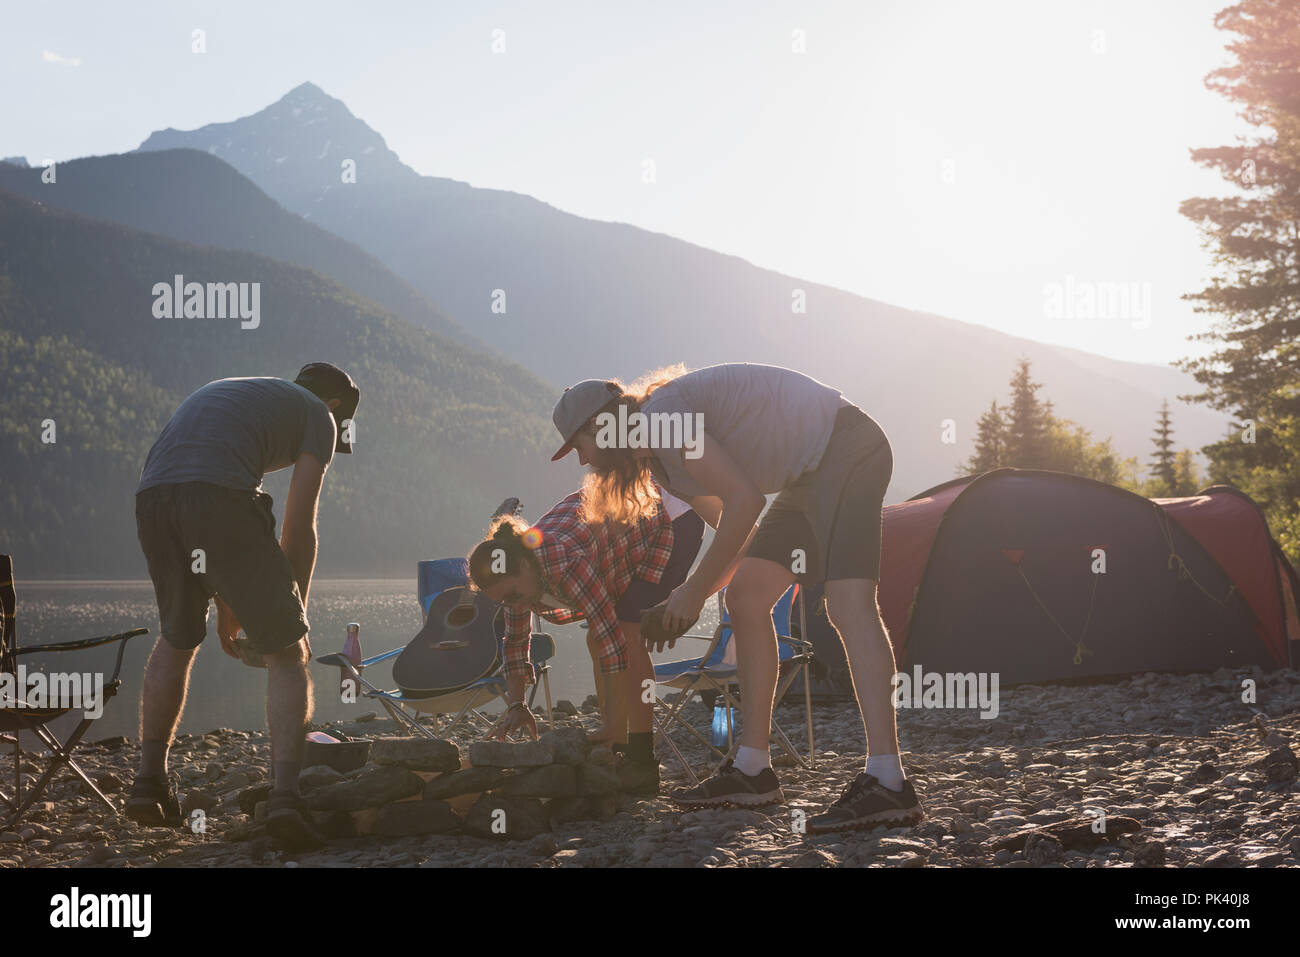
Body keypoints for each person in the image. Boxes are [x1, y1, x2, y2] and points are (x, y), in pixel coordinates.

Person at [561, 363, 923, 831]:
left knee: (847, 604)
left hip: (848, 446)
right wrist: (681, 603)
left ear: (599, 426)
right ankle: (753, 768)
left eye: (579, 445)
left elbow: (745, 501)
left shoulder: (662, 419)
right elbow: (742, 539)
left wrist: (690, 594)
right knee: (747, 597)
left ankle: (887, 781)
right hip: (809, 475)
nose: (583, 460)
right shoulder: (663, 465)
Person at [126, 363, 359, 849]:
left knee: (177, 637)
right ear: (336, 407)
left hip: (152, 498)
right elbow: (298, 526)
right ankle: (285, 800)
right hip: (217, 497)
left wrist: (232, 605)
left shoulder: (249, 395)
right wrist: (295, 618)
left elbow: (201, 504)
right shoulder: (321, 415)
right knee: (288, 657)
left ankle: (149, 783)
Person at [467, 486, 703, 794]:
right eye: (505, 601)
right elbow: (515, 641)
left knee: (626, 636)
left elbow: (614, 643)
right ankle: (616, 747)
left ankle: (642, 761)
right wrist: (517, 704)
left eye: (513, 596)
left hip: (671, 522)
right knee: (598, 637)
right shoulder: (515, 582)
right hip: (622, 541)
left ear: (525, 565)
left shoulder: (563, 562)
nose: (516, 606)